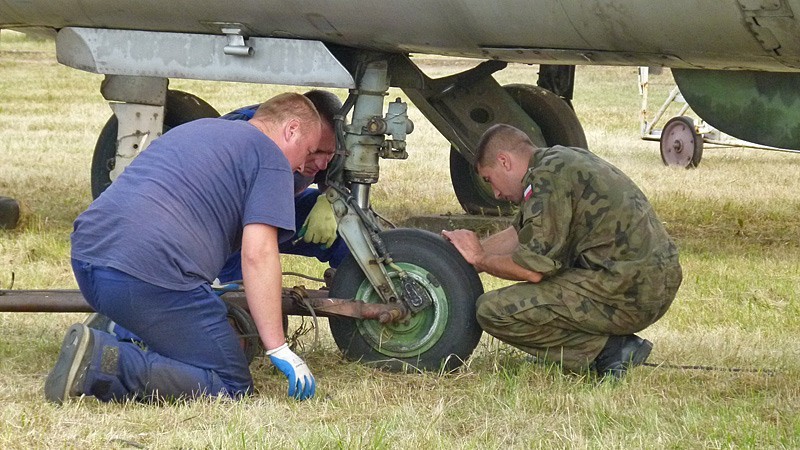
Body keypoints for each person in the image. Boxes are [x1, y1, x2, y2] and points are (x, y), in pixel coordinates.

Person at [45, 92, 323, 405]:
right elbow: (258, 255)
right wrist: (278, 348)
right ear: (291, 130)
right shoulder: (270, 156)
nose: (302, 165)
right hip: (147, 274)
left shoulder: (199, 129)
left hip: (88, 257)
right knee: (231, 384)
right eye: (309, 151)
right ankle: (105, 363)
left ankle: (119, 326)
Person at [442, 124, 682, 379]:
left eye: (490, 180)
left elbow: (532, 269)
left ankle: (611, 350)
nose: (497, 193)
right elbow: (517, 235)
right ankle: (603, 346)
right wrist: (456, 256)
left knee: (493, 310)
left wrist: (480, 257)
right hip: (650, 281)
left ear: (504, 161)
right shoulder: (556, 163)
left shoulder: (548, 176)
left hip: (631, 291)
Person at [216, 89, 349, 283]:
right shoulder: (244, 132)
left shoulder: (329, 140)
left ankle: (354, 296)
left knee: (348, 223)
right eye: (315, 152)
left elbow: (347, 180)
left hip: (273, 207)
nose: (322, 164)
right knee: (235, 285)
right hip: (226, 219)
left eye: (330, 154)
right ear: (293, 130)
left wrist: (332, 199)